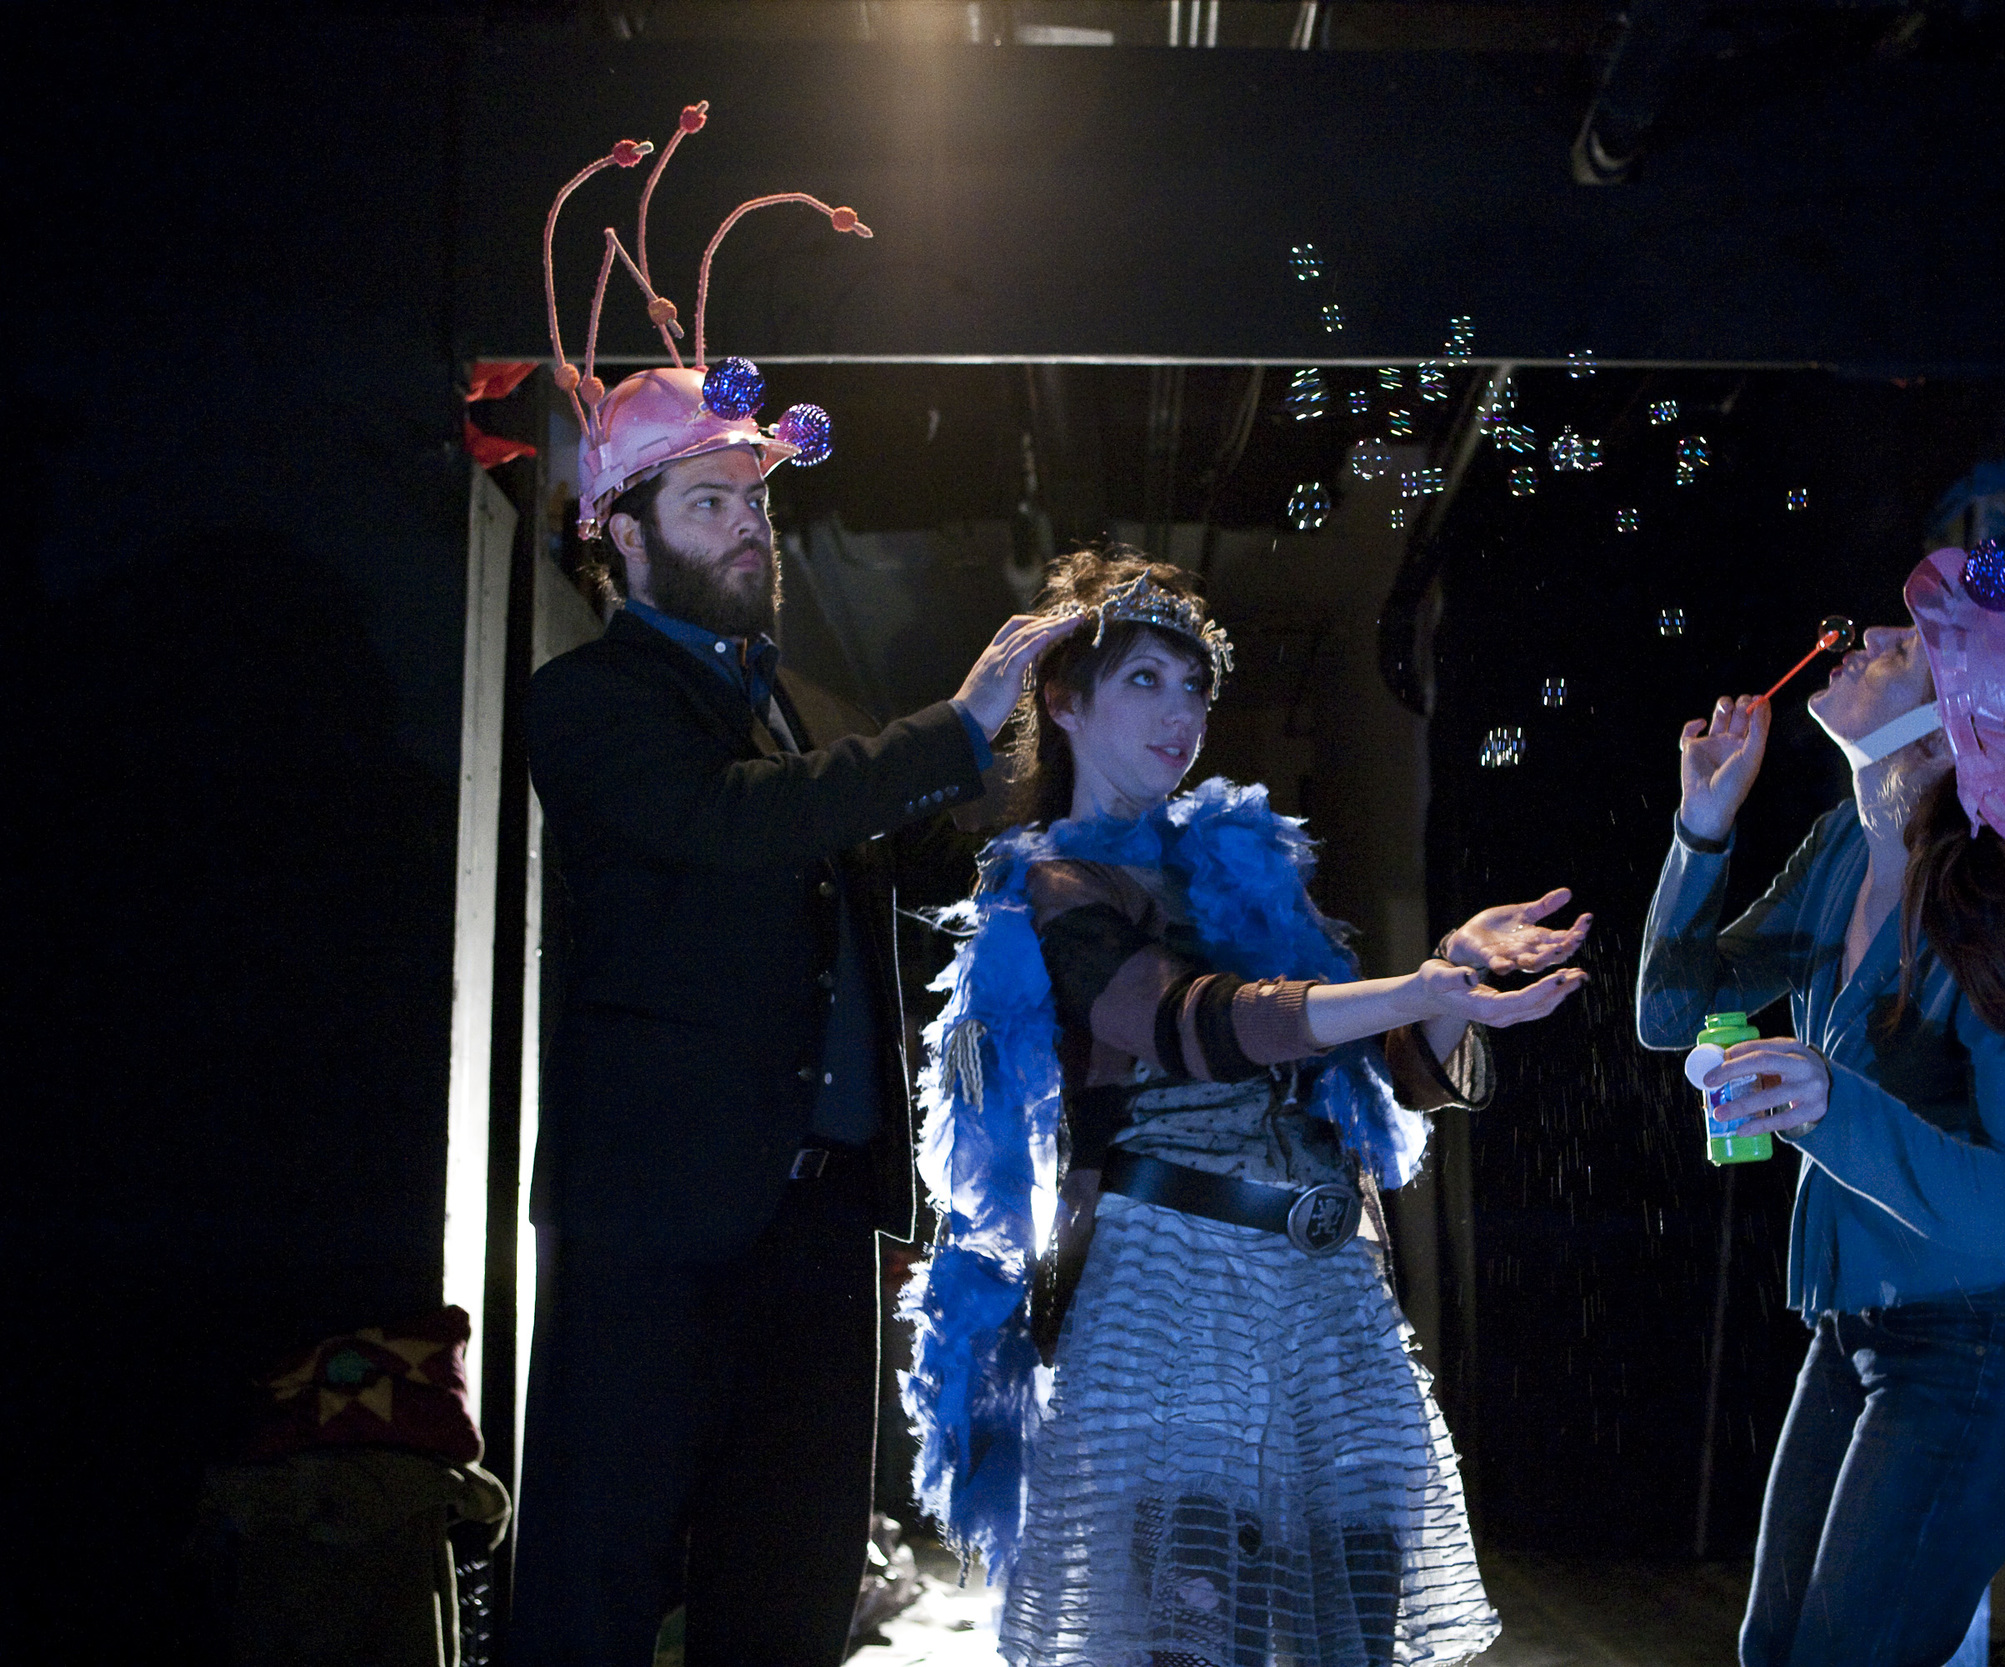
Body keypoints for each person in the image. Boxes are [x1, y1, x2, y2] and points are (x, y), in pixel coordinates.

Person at [511, 105, 1084, 1666]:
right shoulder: (595, 701)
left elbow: (844, 859)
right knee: (599, 1573)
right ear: (618, 536)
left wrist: (1024, 811)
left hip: (813, 1221)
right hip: (664, 1218)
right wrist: (944, 732)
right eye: (710, 503)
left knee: (792, 1579)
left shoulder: (779, 698)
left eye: (756, 500)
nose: (749, 526)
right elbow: (735, 823)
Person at [901, 549, 1591, 1667]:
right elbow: (1188, 1020)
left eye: (1193, 688)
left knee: (1361, 1606)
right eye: (1143, 681)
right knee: (1197, 1615)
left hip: (1325, 1284)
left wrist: (1448, 978)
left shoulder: (1240, 864)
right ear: (1064, 702)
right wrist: (1402, 989)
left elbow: (1383, 1075)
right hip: (1172, 1275)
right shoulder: (1057, 882)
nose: (1179, 715)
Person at [1639, 551, 2005, 1667]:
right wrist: (1700, 826)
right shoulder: (1835, 851)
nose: (1860, 635)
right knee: (1777, 1651)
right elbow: (1674, 1010)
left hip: (1985, 1335)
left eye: (1900, 647)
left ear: (1957, 719)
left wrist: (1829, 1101)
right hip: (1860, 1326)